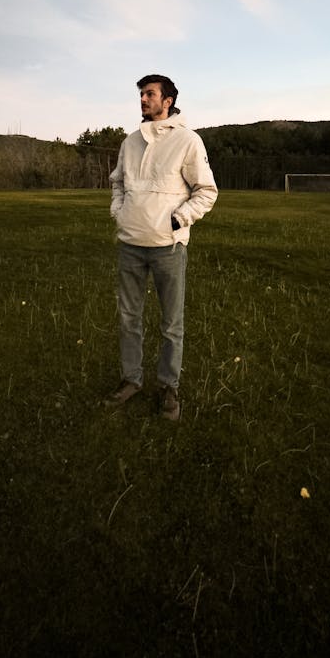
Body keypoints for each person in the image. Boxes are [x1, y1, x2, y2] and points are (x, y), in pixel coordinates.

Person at [105, 74, 218, 420]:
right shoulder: (130, 141)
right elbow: (118, 184)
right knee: (129, 318)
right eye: (141, 94)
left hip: (168, 247)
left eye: (150, 94)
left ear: (167, 100)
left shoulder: (187, 141)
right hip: (131, 245)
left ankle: (169, 387)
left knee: (171, 323)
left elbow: (206, 191)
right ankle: (131, 380)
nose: (143, 99)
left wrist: (178, 220)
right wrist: (120, 214)